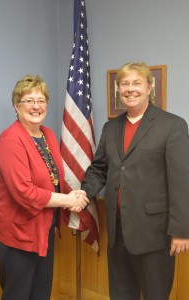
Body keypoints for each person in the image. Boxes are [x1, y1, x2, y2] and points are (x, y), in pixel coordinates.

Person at [81, 62, 189, 300]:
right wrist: (84, 193)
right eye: (125, 84)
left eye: (136, 83)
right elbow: (99, 169)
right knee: (120, 295)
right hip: (117, 233)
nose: (130, 89)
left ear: (149, 88)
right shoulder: (111, 128)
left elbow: (182, 181)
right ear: (118, 89)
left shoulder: (172, 125)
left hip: (154, 235)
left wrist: (181, 231)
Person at [0, 75, 89, 300]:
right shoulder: (10, 140)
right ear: (16, 106)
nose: (36, 106)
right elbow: (24, 193)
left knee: (40, 293)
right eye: (28, 100)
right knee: (18, 294)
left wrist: (73, 193)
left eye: (41, 100)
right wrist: (68, 201)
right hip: (17, 235)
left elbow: (54, 179)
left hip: (43, 230)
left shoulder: (48, 135)